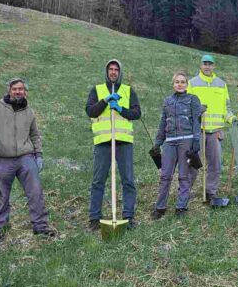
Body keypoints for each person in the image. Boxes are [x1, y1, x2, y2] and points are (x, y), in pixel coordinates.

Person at [0, 77, 56, 240]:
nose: (17, 91)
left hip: (25, 158)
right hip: (2, 159)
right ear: (9, 90)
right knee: (1, 194)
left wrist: (39, 155)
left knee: (35, 192)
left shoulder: (29, 112)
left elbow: (34, 135)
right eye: (14, 89)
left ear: (25, 91)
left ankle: (40, 226)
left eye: (20, 89)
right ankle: (0, 228)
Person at [86, 59, 141, 231]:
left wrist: (119, 109)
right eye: (111, 69)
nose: (113, 72)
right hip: (103, 142)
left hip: (123, 142)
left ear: (120, 72)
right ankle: (95, 218)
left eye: (116, 69)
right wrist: (105, 101)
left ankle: (128, 216)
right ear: (106, 71)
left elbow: (137, 113)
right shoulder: (97, 90)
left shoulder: (128, 91)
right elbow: (90, 110)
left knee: (128, 180)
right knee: (98, 181)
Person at [151, 72, 202, 218]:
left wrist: (196, 141)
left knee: (184, 175)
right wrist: (158, 142)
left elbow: (197, 121)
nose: (180, 84)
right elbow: (163, 122)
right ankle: (160, 208)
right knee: (165, 175)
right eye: (177, 82)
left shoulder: (193, 99)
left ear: (186, 84)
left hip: (186, 140)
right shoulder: (167, 101)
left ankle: (181, 207)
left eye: (183, 82)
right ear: (173, 84)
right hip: (170, 142)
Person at [187, 54, 236, 202]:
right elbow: (187, 106)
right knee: (194, 162)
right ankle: (185, 190)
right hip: (198, 130)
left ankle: (210, 191)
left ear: (214, 66)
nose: (207, 66)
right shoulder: (192, 83)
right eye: (205, 64)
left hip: (215, 131)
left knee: (215, 163)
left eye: (210, 64)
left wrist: (232, 119)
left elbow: (226, 108)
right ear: (200, 66)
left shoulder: (221, 84)